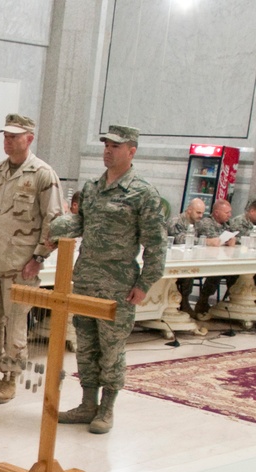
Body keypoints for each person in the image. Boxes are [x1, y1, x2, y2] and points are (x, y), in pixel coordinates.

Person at [52, 125, 165, 434]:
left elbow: (156, 244)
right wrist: (53, 228)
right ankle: (88, 404)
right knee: (86, 347)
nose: (107, 150)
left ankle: (107, 408)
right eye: (105, 144)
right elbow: (80, 224)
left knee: (111, 350)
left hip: (118, 287)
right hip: (86, 281)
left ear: (132, 151)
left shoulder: (143, 193)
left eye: (115, 145)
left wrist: (144, 284)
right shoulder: (91, 188)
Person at [0, 114, 64, 404]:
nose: (7, 140)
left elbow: (54, 222)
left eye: (14, 136)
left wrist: (39, 258)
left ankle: (11, 379)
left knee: (16, 324)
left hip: (21, 264)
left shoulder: (43, 175)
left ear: (29, 139)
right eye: (5, 135)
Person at [193, 198, 237, 316]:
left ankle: (232, 300)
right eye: (227, 213)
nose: (230, 215)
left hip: (221, 258)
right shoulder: (206, 223)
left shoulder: (227, 224)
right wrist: (226, 242)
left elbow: (232, 236)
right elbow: (214, 241)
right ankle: (203, 300)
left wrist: (232, 241)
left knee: (236, 272)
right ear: (216, 213)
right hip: (203, 259)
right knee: (217, 271)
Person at [167, 198, 206, 312]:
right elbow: (180, 239)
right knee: (189, 271)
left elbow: (204, 236)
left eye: (202, 213)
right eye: (198, 212)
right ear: (189, 210)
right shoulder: (176, 221)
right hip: (171, 259)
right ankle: (182, 301)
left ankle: (188, 300)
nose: (200, 216)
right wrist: (204, 241)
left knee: (192, 269)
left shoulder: (197, 223)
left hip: (188, 257)